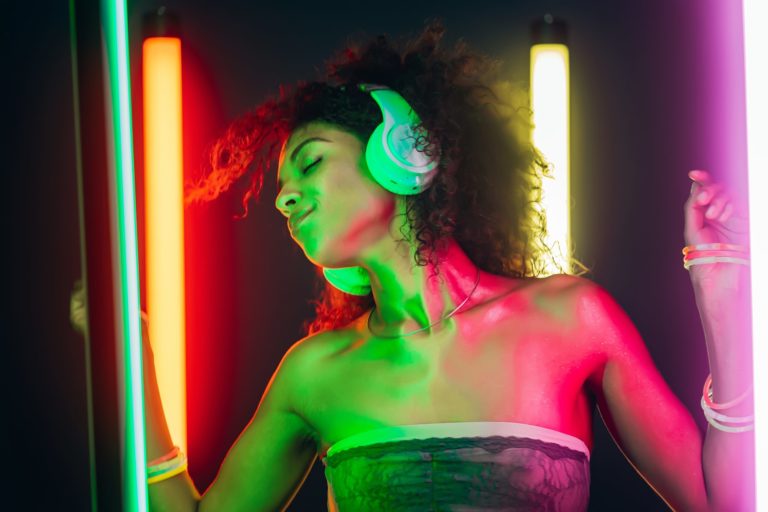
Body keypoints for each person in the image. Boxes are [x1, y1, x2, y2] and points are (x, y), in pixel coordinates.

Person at [71, 20, 753, 511]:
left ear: (402, 154)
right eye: (282, 186)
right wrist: (132, 360)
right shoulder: (315, 372)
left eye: (309, 162)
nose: (284, 196)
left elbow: (723, 502)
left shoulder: (570, 318)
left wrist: (723, 295)